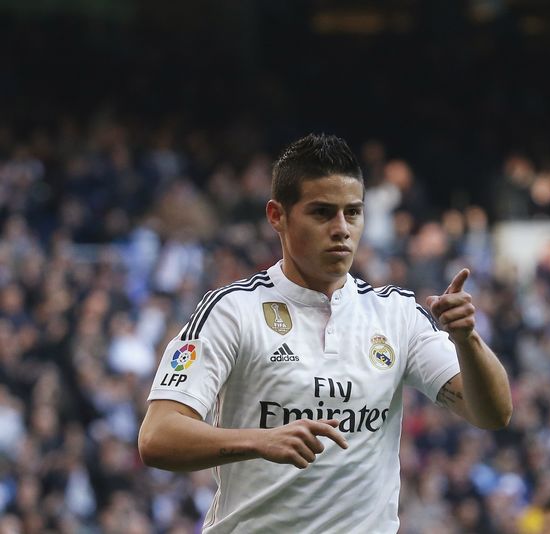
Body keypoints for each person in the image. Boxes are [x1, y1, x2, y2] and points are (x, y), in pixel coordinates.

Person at [138, 133, 513, 533]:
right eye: (321, 212)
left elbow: (492, 413)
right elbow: (157, 437)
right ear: (277, 216)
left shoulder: (396, 313)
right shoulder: (232, 311)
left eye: (352, 213)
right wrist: (259, 441)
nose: (341, 229)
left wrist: (466, 339)